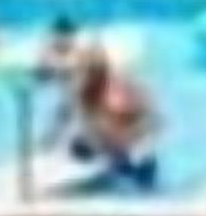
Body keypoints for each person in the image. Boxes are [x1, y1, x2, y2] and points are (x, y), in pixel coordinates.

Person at [54, 43, 162, 189]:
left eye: (90, 69)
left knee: (141, 170)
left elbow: (152, 119)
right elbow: (69, 120)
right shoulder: (79, 90)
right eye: (83, 69)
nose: (84, 73)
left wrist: (131, 138)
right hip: (103, 145)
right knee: (78, 146)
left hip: (129, 144)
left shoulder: (120, 86)